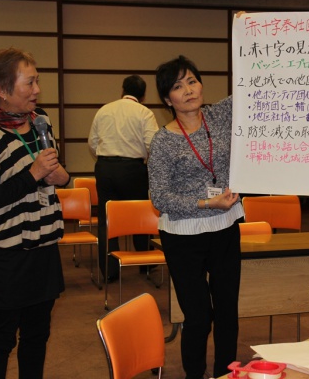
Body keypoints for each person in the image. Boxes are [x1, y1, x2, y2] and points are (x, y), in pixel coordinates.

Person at [0, 47, 69, 378]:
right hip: (5, 256)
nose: (37, 90)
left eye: (37, 81)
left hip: (44, 248)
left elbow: (56, 172)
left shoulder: (41, 121)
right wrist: (33, 174)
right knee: (1, 338)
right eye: (30, 83)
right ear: (2, 89)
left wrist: (60, 176)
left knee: (38, 335)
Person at [148, 55, 243, 379]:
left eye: (192, 81)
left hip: (225, 225)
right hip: (183, 235)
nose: (188, 90)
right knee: (199, 317)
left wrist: (255, 40)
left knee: (228, 312)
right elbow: (160, 198)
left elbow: (253, 89)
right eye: (178, 86)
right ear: (167, 99)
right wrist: (206, 203)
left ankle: (225, 374)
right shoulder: (163, 141)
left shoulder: (218, 114)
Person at [88, 75, 159, 282]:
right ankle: (145, 263)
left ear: (122, 90)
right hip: (133, 169)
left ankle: (109, 270)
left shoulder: (104, 110)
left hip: (105, 168)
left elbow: (92, 143)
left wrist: (106, 157)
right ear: (143, 95)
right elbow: (152, 144)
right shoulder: (144, 113)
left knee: (106, 218)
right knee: (140, 215)